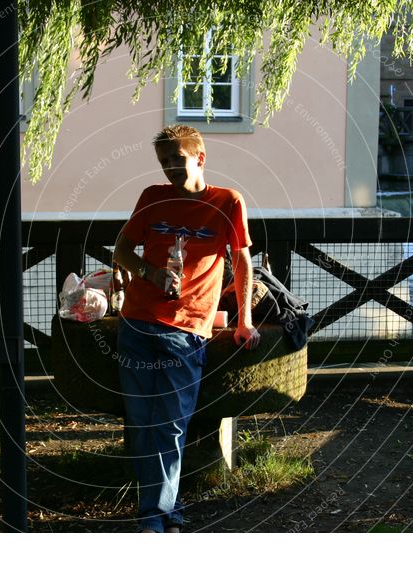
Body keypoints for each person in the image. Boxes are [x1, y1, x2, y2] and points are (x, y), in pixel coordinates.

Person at [112, 124, 260, 533]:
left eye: (178, 158)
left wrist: (244, 320)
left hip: (187, 330)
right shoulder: (152, 198)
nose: (171, 168)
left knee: (171, 424)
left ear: (200, 157)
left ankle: (153, 517)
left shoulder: (226, 202)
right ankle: (162, 512)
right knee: (143, 424)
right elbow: (122, 249)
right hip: (137, 324)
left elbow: (242, 260)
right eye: (164, 162)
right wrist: (149, 272)